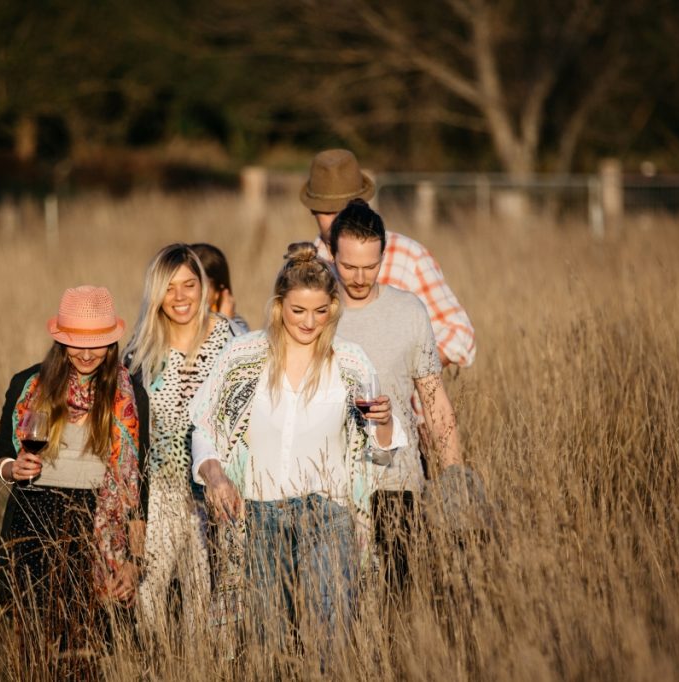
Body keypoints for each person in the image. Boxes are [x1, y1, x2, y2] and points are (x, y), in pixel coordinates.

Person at [189, 242, 406, 665]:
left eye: (321, 311)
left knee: (331, 643)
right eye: (298, 310)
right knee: (266, 647)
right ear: (278, 305)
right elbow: (205, 428)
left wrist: (382, 423)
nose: (309, 322)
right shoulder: (243, 357)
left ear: (334, 308)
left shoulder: (350, 363)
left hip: (329, 516)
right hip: (257, 516)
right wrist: (215, 476)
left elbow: (379, 457)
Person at [328, 199, 482, 599]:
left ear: (383, 255)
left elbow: (434, 398)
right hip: (330, 482)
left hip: (398, 480)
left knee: (398, 596)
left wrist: (452, 475)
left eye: (370, 266)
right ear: (331, 255)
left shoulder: (410, 310)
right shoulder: (317, 312)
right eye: (348, 266)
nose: (360, 277)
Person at [0, 285, 141, 670]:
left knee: (89, 655)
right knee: (36, 651)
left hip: (97, 530)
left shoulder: (130, 392)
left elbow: (143, 482)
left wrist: (133, 561)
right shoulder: (29, 384)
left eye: (97, 343)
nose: (87, 354)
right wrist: (13, 468)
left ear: (112, 343)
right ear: (60, 341)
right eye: (76, 342)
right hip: (33, 524)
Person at [123, 243, 236, 641]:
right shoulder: (140, 351)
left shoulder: (232, 339)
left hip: (216, 491)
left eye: (189, 285)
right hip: (161, 494)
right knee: (149, 594)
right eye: (169, 288)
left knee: (206, 595)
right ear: (156, 293)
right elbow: (129, 438)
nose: (181, 297)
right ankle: (157, 664)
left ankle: (203, 667)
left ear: (203, 287)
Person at [300, 148, 476, 368]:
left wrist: (409, 373)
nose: (338, 220)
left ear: (362, 204)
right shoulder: (302, 267)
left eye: (344, 209)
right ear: (312, 210)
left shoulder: (409, 257)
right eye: (327, 211)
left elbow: (459, 334)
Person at [190, 242, 250, 333]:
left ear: (219, 290)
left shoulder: (237, 326)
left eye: (203, 287)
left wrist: (224, 323)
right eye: (189, 285)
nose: (195, 293)